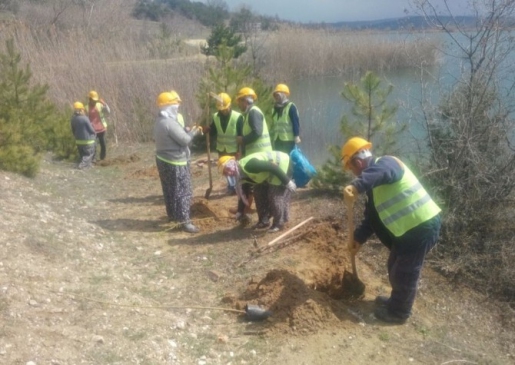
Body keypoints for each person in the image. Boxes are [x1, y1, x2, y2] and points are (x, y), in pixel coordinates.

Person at [341, 137, 442, 324]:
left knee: (404, 272)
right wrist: (358, 239)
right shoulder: (374, 185)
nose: (353, 173)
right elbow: (372, 218)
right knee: (394, 266)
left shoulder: (387, 163)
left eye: (352, 168)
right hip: (407, 231)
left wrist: (357, 186)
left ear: (358, 162)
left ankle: (399, 313)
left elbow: (380, 172)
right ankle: (397, 300)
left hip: (421, 226)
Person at [154, 90, 202, 234]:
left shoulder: (159, 121)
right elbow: (185, 140)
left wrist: (184, 130)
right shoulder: (169, 122)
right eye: (175, 106)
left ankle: (173, 216)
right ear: (169, 107)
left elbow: (175, 135)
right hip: (176, 162)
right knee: (184, 191)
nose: (177, 108)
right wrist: (194, 131)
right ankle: (185, 221)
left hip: (163, 160)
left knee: (170, 190)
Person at [219, 151, 296, 232]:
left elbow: (273, 167)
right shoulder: (240, 175)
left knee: (274, 196)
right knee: (258, 192)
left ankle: (279, 224)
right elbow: (244, 193)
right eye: (225, 173)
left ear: (232, 164)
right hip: (270, 172)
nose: (229, 173)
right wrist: (240, 211)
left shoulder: (249, 166)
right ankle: (264, 220)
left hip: (282, 164)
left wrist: (287, 182)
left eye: (227, 169)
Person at [234, 87, 273, 222]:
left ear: (246, 100)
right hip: (254, 157)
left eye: (239, 101)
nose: (238, 104)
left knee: (260, 189)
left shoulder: (254, 113)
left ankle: (264, 219)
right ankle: (254, 215)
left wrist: (243, 140)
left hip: (260, 157)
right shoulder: (248, 114)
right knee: (255, 187)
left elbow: (257, 132)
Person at [207, 92, 243, 194]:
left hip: (234, 149)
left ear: (230, 105)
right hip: (222, 148)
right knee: (226, 170)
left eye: (225, 108)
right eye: (221, 109)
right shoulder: (216, 117)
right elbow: (213, 130)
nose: (223, 111)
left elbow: (240, 135)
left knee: (234, 170)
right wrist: (207, 129)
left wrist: (239, 150)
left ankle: (237, 187)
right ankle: (231, 187)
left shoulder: (237, 117)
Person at [271, 83, 301, 155]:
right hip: (277, 140)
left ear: (284, 95)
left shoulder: (291, 107)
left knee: (288, 161)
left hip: (288, 141)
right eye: (275, 95)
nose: (276, 97)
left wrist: (296, 136)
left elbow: (295, 122)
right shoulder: (274, 109)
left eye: (278, 95)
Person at [70, 102, 96, 170]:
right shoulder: (85, 118)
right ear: (81, 110)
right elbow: (91, 129)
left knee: (83, 155)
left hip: (78, 141)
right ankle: (82, 165)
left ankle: (88, 165)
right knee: (89, 154)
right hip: (88, 141)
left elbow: (73, 130)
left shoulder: (73, 119)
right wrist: (94, 133)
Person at [86, 90, 110, 161]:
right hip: (92, 130)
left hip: (102, 128)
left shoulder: (99, 105)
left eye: (96, 100)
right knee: (93, 146)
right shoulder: (86, 108)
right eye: (93, 100)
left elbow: (108, 112)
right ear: (90, 99)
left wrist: (105, 104)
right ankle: (93, 159)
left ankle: (102, 159)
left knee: (103, 145)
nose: (95, 102)